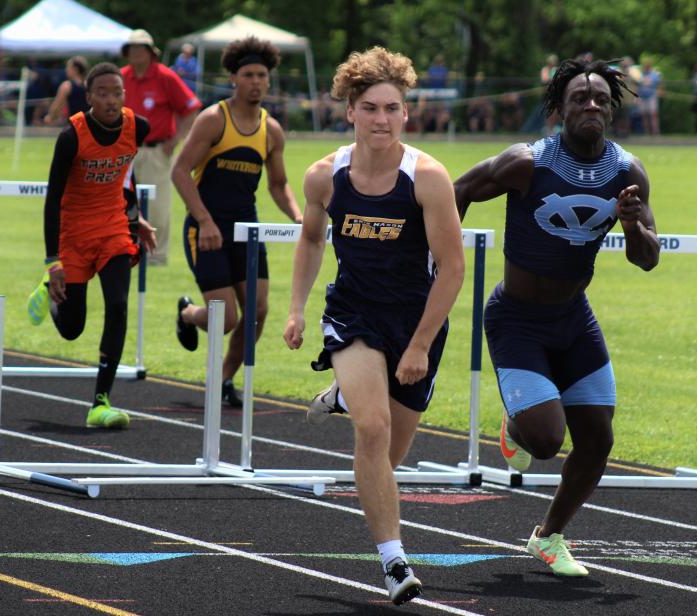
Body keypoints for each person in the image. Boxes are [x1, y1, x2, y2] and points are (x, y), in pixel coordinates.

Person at [453, 57, 659, 577]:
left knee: (598, 438)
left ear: (611, 110)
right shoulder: (527, 162)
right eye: (578, 99)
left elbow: (647, 257)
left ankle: (548, 537)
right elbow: (458, 190)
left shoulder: (627, 172)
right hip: (516, 318)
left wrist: (632, 224)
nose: (590, 105)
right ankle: (518, 422)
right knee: (545, 441)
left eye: (599, 99)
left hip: (573, 320)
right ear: (559, 109)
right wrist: (441, 258)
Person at [283, 47, 464, 605]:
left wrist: (420, 345)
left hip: (416, 321)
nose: (381, 119)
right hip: (354, 315)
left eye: (392, 108)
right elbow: (312, 239)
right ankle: (393, 561)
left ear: (406, 113)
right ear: (350, 112)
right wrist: (295, 308)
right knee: (373, 429)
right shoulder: (325, 176)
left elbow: (454, 270)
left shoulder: (428, 179)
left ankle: (342, 393)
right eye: (370, 108)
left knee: (386, 459)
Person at [172, 37, 302, 408]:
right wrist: (205, 220)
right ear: (233, 78)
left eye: (262, 75)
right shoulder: (214, 119)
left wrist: (297, 214)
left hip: (248, 228)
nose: (256, 82)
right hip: (206, 229)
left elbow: (278, 184)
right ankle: (186, 313)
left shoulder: (271, 130)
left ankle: (223, 380)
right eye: (248, 75)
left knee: (258, 312)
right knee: (225, 318)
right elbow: (180, 172)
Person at [25, 62, 157, 429]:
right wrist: (53, 261)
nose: (111, 100)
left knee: (117, 305)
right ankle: (50, 293)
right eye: (103, 93)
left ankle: (100, 401)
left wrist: (136, 220)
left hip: (114, 228)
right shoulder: (71, 136)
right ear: (89, 98)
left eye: (117, 92)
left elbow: (129, 174)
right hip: (73, 234)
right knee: (72, 329)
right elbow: (52, 200)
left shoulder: (137, 127)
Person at [121, 29, 202, 266]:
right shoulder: (121, 76)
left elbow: (191, 108)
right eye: (132, 48)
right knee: (121, 201)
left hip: (156, 150)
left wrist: (174, 141)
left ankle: (156, 255)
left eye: (140, 48)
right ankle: (124, 253)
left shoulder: (165, 76)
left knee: (156, 205)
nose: (135, 52)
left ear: (150, 52)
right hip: (124, 149)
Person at [44, 56, 89, 125]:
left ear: (75, 69)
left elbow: (57, 105)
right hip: (89, 124)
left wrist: (50, 117)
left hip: (75, 125)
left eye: (68, 67)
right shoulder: (89, 85)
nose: (66, 70)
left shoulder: (67, 86)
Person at [637, 58, 663, 135]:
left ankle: (655, 132)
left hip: (652, 96)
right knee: (644, 115)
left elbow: (660, 84)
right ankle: (646, 132)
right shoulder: (641, 74)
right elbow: (638, 85)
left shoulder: (654, 74)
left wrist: (660, 91)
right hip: (643, 97)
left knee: (653, 114)